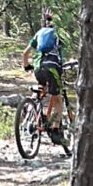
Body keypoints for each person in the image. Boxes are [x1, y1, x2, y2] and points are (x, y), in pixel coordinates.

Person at [21, 12, 66, 143]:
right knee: (57, 99)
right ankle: (56, 130)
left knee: (41, 89)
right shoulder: (59, 35)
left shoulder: (40, 33)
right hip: (52, 67)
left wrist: (26, 67)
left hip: (38, 67)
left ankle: (31, 110)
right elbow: (62, 57)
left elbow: (25, 53)